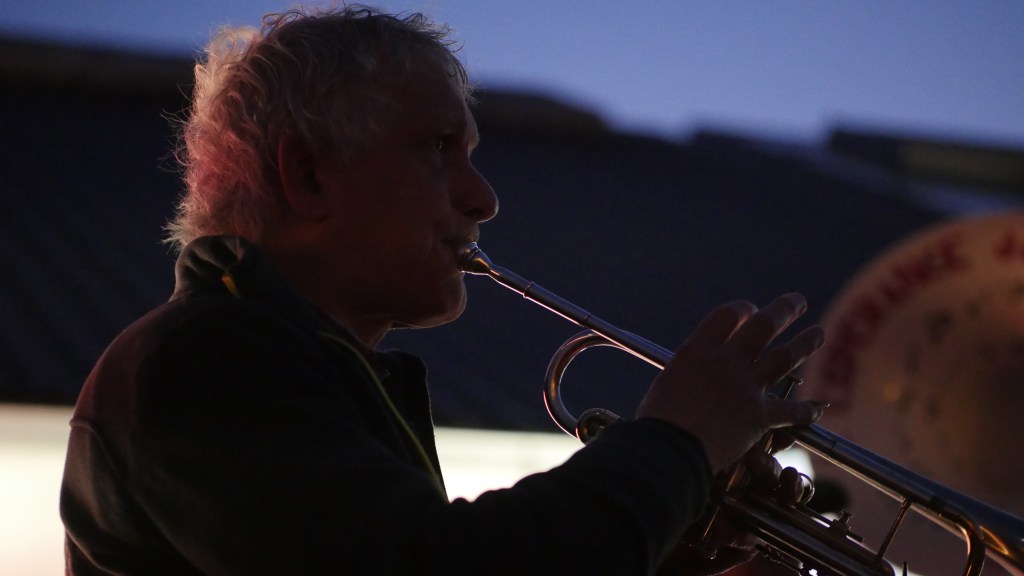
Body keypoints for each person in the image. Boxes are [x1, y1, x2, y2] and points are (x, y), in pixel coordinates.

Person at [60, 5, 826, 575]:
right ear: (308, 174)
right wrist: (676, 444)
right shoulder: (202, 359)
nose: (483, 199)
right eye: (438, 148)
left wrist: (676, 543)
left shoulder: (309, 375)